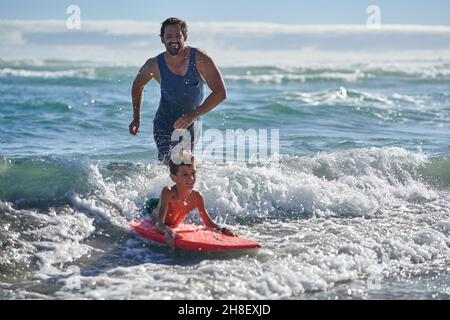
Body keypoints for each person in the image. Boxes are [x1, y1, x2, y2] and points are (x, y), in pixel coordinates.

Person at [129, 17, 227, 163]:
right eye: (168, 36)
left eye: (177, 35)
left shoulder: (200, 59)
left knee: (183, 164)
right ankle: (162, 186)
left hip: (192, 122)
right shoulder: (154, 65)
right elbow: (137, 86)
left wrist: (192, 116)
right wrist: (137, 117)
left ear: (185, 37)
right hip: (164, 122)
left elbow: (220, 93)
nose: (173, 40)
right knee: (168, 163)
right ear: (162, 39)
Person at [146, 152, 236, 247]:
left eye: (193, 173)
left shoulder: (197, 197)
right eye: (185, 174)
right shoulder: (168, 192)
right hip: (153, 206)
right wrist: (167, 230)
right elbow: (159, 224)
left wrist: (222, 229)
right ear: (174, 178)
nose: (191, 178)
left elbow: (208, 223)